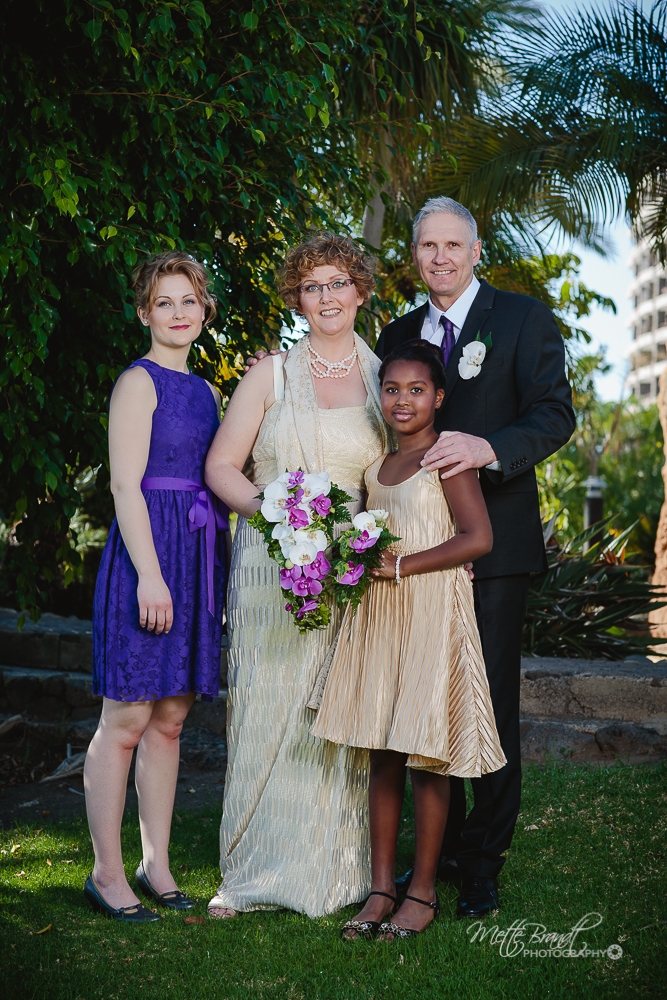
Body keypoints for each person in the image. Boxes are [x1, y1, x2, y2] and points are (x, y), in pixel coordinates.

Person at [376, 197, 576, 918]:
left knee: (484, 708)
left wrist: (489, 448)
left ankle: (483, 864)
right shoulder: (397, 332)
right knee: (423, 705)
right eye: (426, 245)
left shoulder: (521, 319)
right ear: (414, 253)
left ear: (475, 249)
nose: (439, 257)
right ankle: (437, 853)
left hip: (493, 546)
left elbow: (555, 411)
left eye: (451, 245)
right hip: (416, 556)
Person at [204, 232, 389, 919]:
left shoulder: (382, 377)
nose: (326, 297)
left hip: (346, 568)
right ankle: (254, 867)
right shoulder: (270, 374)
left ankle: (332, 870)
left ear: (360, 290)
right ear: (297, 298)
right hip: (269, 561)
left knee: (330, 708)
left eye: (337, 283)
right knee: (266, 704)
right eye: (311, 287)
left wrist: (361, 545)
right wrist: (279, 514)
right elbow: (223, 465)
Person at [311, 340, 506, 940]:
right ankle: (380, 887)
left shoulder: (447, 461)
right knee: (383, 749)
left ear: (438, 398)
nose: (402, 400)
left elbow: (478, 538)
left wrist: (402, 566)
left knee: (426, 751)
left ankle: (421, 891)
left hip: (428, 612)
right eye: (392, 389)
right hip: (379, 618)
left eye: (416, 390)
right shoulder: (376, 469)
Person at [84, 252, 227, 922]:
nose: (177, 314)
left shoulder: (205, 393)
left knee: (170, 719)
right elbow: (122, 484)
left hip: (195, 553)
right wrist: (149, 573)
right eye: (164, 302)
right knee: (127, 718)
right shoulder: (136, 383)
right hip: (149, 553)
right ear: (145, 312)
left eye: (189, 301)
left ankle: (155, 863)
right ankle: (106, 873)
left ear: (204, 311)